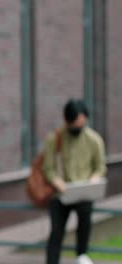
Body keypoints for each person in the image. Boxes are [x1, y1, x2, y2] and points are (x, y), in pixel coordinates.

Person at [43, 99, 107, 264]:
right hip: (61, 193)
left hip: (83, 192)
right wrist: (57, 182)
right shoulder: (55, 139)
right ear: (67, 120)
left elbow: (100, 167)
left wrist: (94, 178)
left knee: (85, 223)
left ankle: (81, 255)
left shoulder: (94, 140)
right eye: (75, 123)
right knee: (56, 232)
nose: (78, 126)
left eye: (81, 122)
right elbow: (48, 168)